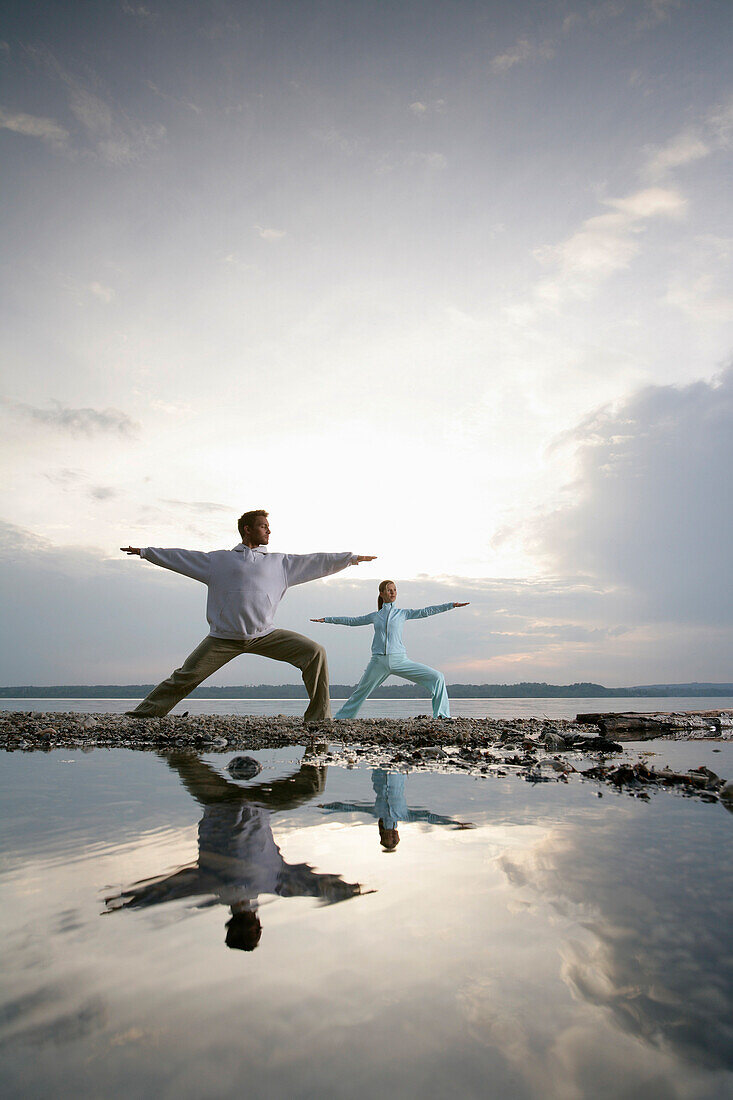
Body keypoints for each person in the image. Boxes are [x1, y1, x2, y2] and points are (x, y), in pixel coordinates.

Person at [121, 509, 376, 724]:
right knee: (185, 676)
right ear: (247, 529)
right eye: (263, 526)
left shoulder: (280, 563)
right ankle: (141, 715)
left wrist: (349, 559)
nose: (269, 531)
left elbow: (315, 561)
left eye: (268, 526)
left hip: (265, 635)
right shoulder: (219, 561)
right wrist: (146, 552)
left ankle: (319, 719)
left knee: (315, 652)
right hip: (223, 638)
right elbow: (182, 557)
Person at [104, 752, 364, 950]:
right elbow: (314, 887)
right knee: (313, 787)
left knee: (182, 760)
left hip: (221, 799)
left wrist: (131, 900)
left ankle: (178, 751)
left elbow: (167, 891)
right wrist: (130, 901)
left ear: (258, 926)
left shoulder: (226, 886)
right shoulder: (262, 885)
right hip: (250, 800)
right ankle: (178, 752)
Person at [311, 580, 468, 719]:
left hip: (400, 660)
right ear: (381, 593)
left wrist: (450, 605)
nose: (393, 592)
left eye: (394, 590)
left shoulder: (403, 613)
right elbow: (352, 621)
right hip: (378, 661)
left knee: (437, 677)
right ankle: (341, 719)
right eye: (389, 590)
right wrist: (327, 620)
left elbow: (426, 611)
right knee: (360, 692)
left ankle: (442, 715)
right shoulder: (375, 616)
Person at [320, 768, 475, 851]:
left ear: (383, 836)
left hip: (379, 772)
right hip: (398, 772)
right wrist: (454, 824)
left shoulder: (377, 813)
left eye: (388, 840)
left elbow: (349, 808)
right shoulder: (404, 816)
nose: (392, 838)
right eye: (393, 840)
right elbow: (430, 818)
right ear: (396, 835)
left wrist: (327, 807)